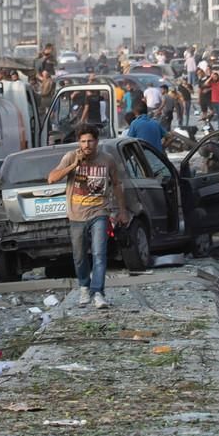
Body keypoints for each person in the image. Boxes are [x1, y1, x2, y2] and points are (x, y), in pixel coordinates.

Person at [46, 125, 127, 310]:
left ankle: (98, 292)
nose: (86, 145)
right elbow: (51, 178)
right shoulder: (70, 157)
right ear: (78, 142)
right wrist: (75, 165)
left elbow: (116, 184)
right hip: (76, 214)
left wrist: (122, 210)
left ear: (97, 142)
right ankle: (84, 286)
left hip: (100, 212)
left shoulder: (107, 160)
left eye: (90, 141)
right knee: (80, 255)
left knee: (99, 253)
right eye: (83, 141)